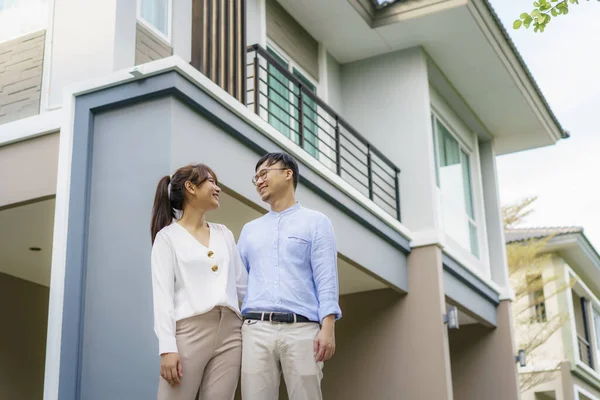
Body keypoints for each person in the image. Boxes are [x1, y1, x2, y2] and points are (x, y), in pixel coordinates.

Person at [238, 152, 342, 400]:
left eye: (264, 173)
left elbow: (326, 278)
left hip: (303, 329)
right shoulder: (249, 230)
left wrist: (328, 328)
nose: (259, 181)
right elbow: (239, 284)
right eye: (256, 178)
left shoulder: (317, 222)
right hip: (256, 329)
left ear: (288, 174)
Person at [150, 163, 247, 400]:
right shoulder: (167, 237)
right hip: (189, 333)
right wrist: (167, 347)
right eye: (211, 182)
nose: (217, 189)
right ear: (190, 187)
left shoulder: (224, 233)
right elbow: (162, 296)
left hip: (231, 333)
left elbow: (243, 286)